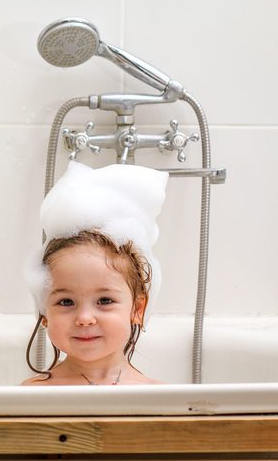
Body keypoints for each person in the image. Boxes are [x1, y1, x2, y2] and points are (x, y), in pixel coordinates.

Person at [21, 161, 168, 386]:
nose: (84, 318)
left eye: (105, 300)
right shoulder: (34, 393)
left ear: (138, 309)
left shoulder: (157, 395)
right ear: (44, 313)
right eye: (66, 301)